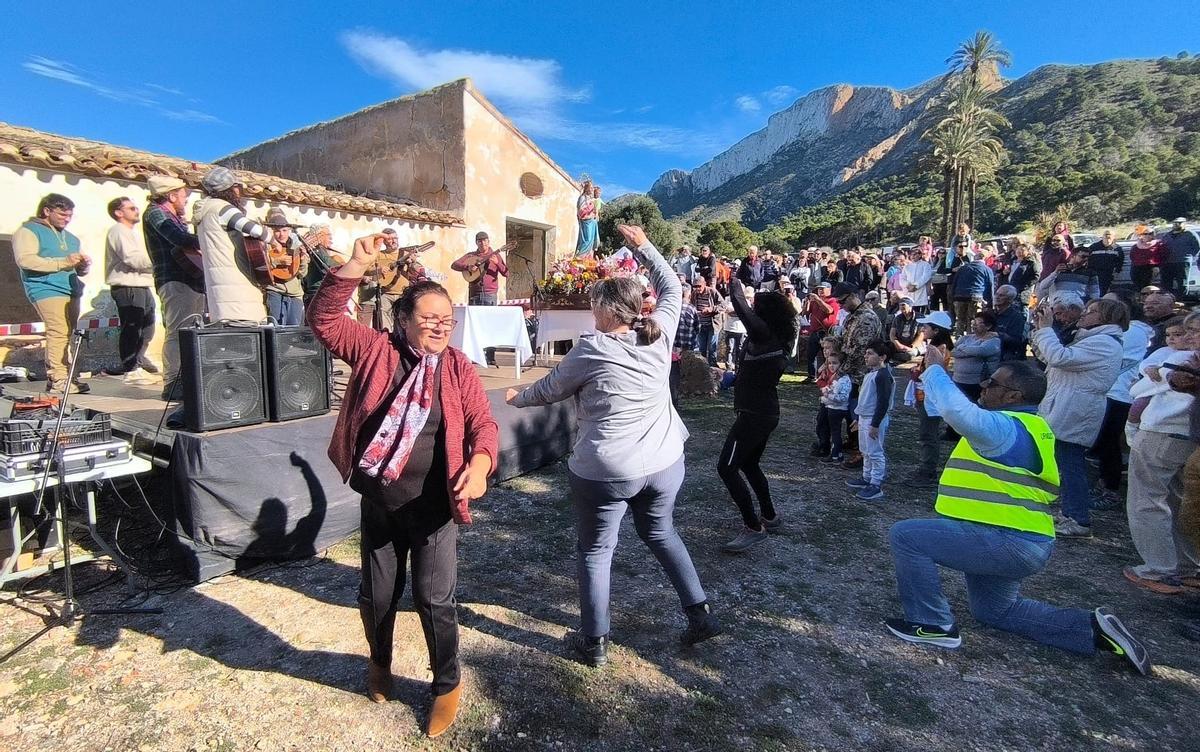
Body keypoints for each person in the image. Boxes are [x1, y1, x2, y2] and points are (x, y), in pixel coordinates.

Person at [307, 232, 498, 738]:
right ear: (404, 321)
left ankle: (446, 685)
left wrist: (480, 464)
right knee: (377, 596)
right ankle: (380, 662)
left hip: (434, 506)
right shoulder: (376, 350)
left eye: (447, 320)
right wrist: (354, 264)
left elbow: (483, 424)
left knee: (434, 600)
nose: (439, 327)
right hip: (381, 502)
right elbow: (324, 321)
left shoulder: (457, 367)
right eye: (429, 319)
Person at [506, 224, 722, 665]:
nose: (590, 311)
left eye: (593, 305)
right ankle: (699, 614)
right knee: (661, 532)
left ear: (605, 311)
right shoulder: (659, 332)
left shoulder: (592, 350)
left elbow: (549, 389)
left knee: (596, 550)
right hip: (664, 460)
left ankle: (595, 641)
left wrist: (516, 398)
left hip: (606, 469)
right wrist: (643, 246)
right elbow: (670, 286)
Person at [884, 349, 1151, 676]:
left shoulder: (1006, 427)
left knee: (907, 536)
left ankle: (932, 624)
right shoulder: (1027, 425)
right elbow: (953, 410)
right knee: (995, 612)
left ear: (1014, 396)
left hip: (1006, 540)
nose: (983, 386)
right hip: (1021, 540)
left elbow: (956, 410)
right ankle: (1091, 628)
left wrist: (937, 370)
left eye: (992, 383)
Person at [1030, 297, 1127, 538]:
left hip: (1075, 409)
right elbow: (1049, 359)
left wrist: (1046, 330)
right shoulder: (1089, 339)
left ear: (1107, 317)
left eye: (1091, 311)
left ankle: (1078, 519)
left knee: (1071, 465)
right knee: (1065, 464)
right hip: (1065, 404)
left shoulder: (1105, 343)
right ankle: (1069, 512)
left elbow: (1060, 358)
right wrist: (1040, 330)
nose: (1084, 314)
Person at [1122, 312, 1200, 594]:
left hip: (1161, 431)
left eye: (1195, 331)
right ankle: (1188, 566)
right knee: (1179, 500)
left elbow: (1138, 389)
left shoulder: (1182, 360)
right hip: (1189, 436)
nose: (1189, 337)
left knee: (1146, 499)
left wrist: (1158, 373)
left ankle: (1158, 568)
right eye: (1187, 331)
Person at [717, 275, 796, 552]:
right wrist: (730, 378)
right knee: (749, 464)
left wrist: (732, 278)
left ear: (765, 315)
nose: (752, 311)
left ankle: (753, 527)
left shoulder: (765, 336)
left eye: (756, 308)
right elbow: (753, 374)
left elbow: (740, 305)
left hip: (755, 414)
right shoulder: (768, 339)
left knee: (726, 468)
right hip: (761, 411)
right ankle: (770, 516)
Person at [12, 193, 91, 393]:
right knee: (58, 331)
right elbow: (26, 260)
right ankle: (58, 379)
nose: (67, 219)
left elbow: (75, 269)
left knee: (68, 333)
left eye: (70, 215)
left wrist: (82, 266)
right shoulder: (28, 231)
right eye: (62, 214)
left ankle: (65, 376)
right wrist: (63, 262)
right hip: (45, 287)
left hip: (70, 288)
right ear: (47, 211)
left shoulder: (71, 238)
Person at [142, 175, 204, 401]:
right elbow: (179, 239)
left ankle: (187, 379)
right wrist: (208, 238)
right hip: (174, 279)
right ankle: (172, 382)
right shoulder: (155, 213)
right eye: (183, 195)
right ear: (171, 196)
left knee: (190, 331)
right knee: (178, 331)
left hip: (190, 278)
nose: (186, 199)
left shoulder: (174, 216)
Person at [1093, 292, 1153, 507]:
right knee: (1105, 442)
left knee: (1109, 442)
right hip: (1110, 390)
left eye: (1109, 302)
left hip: (1119, 393)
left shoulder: (1133, 331)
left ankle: (1110, 489)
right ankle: (1104, 483)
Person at [194, 167, 273, 323]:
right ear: (229, 189)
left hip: (220, 289)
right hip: (236, 287)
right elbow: (255, 230)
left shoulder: (204, 212)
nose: (239, 192)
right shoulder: (222, 208)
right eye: (237, 187)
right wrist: (271, 237)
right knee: (246, 329)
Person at [103, 196, 158, 384]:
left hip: (141, 284)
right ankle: (130, 368)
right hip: (127, 285)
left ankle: (138, 360)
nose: (136, 211)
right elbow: (132, 259)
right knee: (132, 327)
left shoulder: (132, 232)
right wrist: (159, 261)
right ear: (119, 213)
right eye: (131, 208)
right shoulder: (118, 230)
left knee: (148, 326)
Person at [835, 283, 883, 468]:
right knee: (851, 410)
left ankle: (862, 452)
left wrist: (841, 370)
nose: (841, 306)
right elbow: (846, 343)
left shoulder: (867, 318)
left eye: (843, 301)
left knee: (860, 413)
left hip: (862, 373)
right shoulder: (853, 316)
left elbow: (859, 350)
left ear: (853, 296)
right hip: (852, 373)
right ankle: (854, 441)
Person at [906, 312, 955, 485]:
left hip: (931, 397)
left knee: (928, 434)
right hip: (928, 396)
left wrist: (920, 374)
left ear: (936, 330)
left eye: (926, 327)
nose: (922, 329)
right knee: (927, 433)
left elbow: (936, 372)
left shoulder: (938, 350)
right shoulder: (936, 348)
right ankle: (926, 469)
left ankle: (928, 471)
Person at [846, 340, 895, 500]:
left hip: (874, 420)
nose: (865, 356)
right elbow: (865, 399)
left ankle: (876, 483)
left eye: (870, 353)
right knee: (865, 450)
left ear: (882, 357)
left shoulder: (883, 376)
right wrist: (858, 418)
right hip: (864, 418)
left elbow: (883, 402)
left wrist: (875, 424)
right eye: (866, 353)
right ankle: (866, 477)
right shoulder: (870, 374)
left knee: (875, 452)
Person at [261, 207, 308, 326]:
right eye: (277, 231)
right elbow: (260, 268)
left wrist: (303, 260)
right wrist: (276, 261)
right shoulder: (265, 246)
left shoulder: (296, 246)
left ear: (289, 230)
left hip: (295, 294)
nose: (281, 234)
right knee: (275, 328)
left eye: (284, 230)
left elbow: (302, 274)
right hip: (274, 291)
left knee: (293, 330)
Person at [952, 311, 1001, 403]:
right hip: (958, 380)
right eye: (973, 322)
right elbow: (953, 352)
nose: (974, 325)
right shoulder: (966, 338)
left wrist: (962, 347)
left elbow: (980, 351)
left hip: (978, 383)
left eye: (977, 323)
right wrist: (970, 351)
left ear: (988, 326)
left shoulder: (994, 341)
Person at [452, 232, 508, 306]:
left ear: (488, 242)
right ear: (476, 243)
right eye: (480, 241)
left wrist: (497, 263)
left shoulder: (496, 256)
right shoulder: (470, 255)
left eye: (485, 240)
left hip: (490, 295)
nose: (483, 243)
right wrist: (468, 267)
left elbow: (506, 273)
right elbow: (454, 265)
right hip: (474, 294)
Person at [814, 351, 851, 463]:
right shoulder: (835, 377)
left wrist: (828, 395)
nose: (831, 366)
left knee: (835, 433)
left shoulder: (844, 379)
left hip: (837, 409)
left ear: (841, 364)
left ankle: (836, 455)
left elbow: (843, 397)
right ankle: (836, 453)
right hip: (831, 407)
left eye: (834, 363)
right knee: (834, 431)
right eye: (829, 363)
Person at [802, 281, 840, 378]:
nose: (820, 291)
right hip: (814, 332)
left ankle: (827, 376)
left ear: (829, 290)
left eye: (822, 289)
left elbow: (829, 310)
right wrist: (807, 302)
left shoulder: (833, 300)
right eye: (819, 289)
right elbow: (805, 313)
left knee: (827, 355)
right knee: (811, 354)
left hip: (826, 333)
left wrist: (818, 300)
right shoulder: (815, 301)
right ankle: (811, 376)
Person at [670, 285, 699, 408]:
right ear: (688, 294)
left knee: (674, 373)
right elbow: (697, 327)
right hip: (687, 346)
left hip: (673, 346)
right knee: (686, 372)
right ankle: (687, 393)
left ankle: (675, 398)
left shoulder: (672, 308)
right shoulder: (692, 309)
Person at [1160, 219, 1199, 300]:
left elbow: (1197, 247)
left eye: (1179, 223)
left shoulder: (1190, 234)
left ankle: (1181, 300)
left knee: (1182, 282)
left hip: (1182, 262)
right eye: (1174, 223)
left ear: (1184, 224)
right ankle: (1167, 300)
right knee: (1166, 283)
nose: (1176, 225)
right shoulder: (1167, 235)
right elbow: (1162, 247)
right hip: (1167, 262)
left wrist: (1188, 255)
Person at [691, 276, 723, 367]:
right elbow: (691, 306)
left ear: (704, 284)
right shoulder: (694, 294)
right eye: (695, 286)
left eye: (699, 286)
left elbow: (723, 305)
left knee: (712, 348)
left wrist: (711, 309)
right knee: (702, 348)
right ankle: (703, 367)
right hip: (700, 325)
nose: (697, 288)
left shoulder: (712, 292)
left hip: (712, 324)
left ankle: (713, 367)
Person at [993, 285, 1028, 361]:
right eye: (996, 294)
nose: (997, 297)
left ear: (1010, 299)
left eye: (1001, 295)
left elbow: (1016, 341)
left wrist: (998, 335)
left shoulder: (1016, 317)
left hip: (1006, 353)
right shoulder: (990, 313)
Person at [1003, 242, 1041, 307]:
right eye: (1018, 249)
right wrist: (1005, 272)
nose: (1019, 251)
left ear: (1028, 252)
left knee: (1021, 308)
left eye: (1022, 250)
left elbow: (1035, 276)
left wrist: (1024, 286)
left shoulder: (1031, 262)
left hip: (1022, 292)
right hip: (1010, 288)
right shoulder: (1013, 260)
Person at [1088, 231, 1125, 296]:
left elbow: (1120, 262)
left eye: (1109, 237)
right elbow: (1088, 259)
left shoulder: (1117, 248)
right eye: (1106, 237)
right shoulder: (1094, 247)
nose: (1107, 239)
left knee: (1105, 291)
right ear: (1102, 237)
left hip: (1109, 274)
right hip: (1095, 273)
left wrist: (1117, 271)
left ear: (1113, 238)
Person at [888, 297, 923, 363]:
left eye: (903, 305)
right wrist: (897, 344)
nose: (901, 307)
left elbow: (921, 335)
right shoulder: (897, 318)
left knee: (910, 354)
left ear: (910, 306)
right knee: (884, 349)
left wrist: (912, 346)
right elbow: (892, 334)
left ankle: (896, 356)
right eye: (900, 305)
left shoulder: (920, 317)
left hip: (915, 345)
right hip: (900, 344)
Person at [930, 246, 963, 313]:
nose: (941, 254)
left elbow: (942, 270)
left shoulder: (947, 261)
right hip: (934, 283)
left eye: (943, 253)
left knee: (945, 301)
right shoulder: (934, 261)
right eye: (939, 253)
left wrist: (951, 270)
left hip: (944, 283)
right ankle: (934, 316)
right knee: (934, 302)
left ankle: (946, 315)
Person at [901, 247, 933, 313]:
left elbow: (926, 277)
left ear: (920, 255)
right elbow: (902, 278)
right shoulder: (907, 267)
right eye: (911, 254)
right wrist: (907, 285)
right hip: (909, 292)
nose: (913, 256)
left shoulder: (925, 265)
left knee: (922, 313)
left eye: (915, 254)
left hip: (921, 292)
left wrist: (916, 286)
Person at [575, 179, 598, 257]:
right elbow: (580, 211)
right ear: (586, 188)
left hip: (592, 221)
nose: (592, 189)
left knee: (591, 240)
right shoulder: (582, 198)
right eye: (591, 188)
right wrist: (590, 208)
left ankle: (588, 257)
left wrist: (595, 212)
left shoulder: (590, 199)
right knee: (587, 239)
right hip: (586, 221)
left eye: (592, 188)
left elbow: (594, 210)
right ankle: (580, 257)